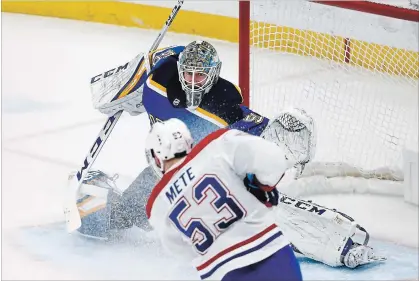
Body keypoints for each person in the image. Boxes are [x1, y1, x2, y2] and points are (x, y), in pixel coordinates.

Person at [68, 40, 385, 269]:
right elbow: (110, 93)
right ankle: (100, 204)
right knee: (121, 216)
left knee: (254, 218)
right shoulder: (156, 83)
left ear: (213, 74)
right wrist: (128, 89)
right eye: (187, 74)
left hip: (210, 176)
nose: (192, 81)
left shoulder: (224, 106)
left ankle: (329, 241)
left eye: (199, 76)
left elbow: (257, 127)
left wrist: (282, 134)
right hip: (168, 173)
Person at [144, 118, 303, 281]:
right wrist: (261, 186)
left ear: (157, 158)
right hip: (271, 255)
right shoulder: (217, 145)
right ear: (187, 141)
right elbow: (273, 158)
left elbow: (182, 252)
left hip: (223, 273)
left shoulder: (157, 204)